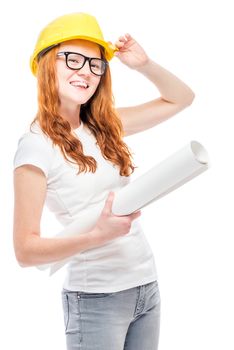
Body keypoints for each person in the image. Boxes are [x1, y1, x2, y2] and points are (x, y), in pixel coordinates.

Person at [13, 12, 195, 350]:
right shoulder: (35, 146)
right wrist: (97, 235)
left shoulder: (104, 126)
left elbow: (181, 98)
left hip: (146, 287)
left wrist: (144, 65)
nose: (86, 71)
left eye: (96, 64)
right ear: (46, 65)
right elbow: (25, 250)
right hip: (96, 300)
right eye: (73, 58)